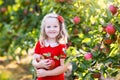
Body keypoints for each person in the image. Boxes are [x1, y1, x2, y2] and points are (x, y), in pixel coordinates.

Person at [32, 13, 69, 80]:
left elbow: (64, 67)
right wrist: (39, 64)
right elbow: (34, 60)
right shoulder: (41, 43)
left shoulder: (62, 46)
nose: (52, 29)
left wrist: (46, 73)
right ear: (44, 29)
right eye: (48, 27)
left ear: (60, 28)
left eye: (55, 26)